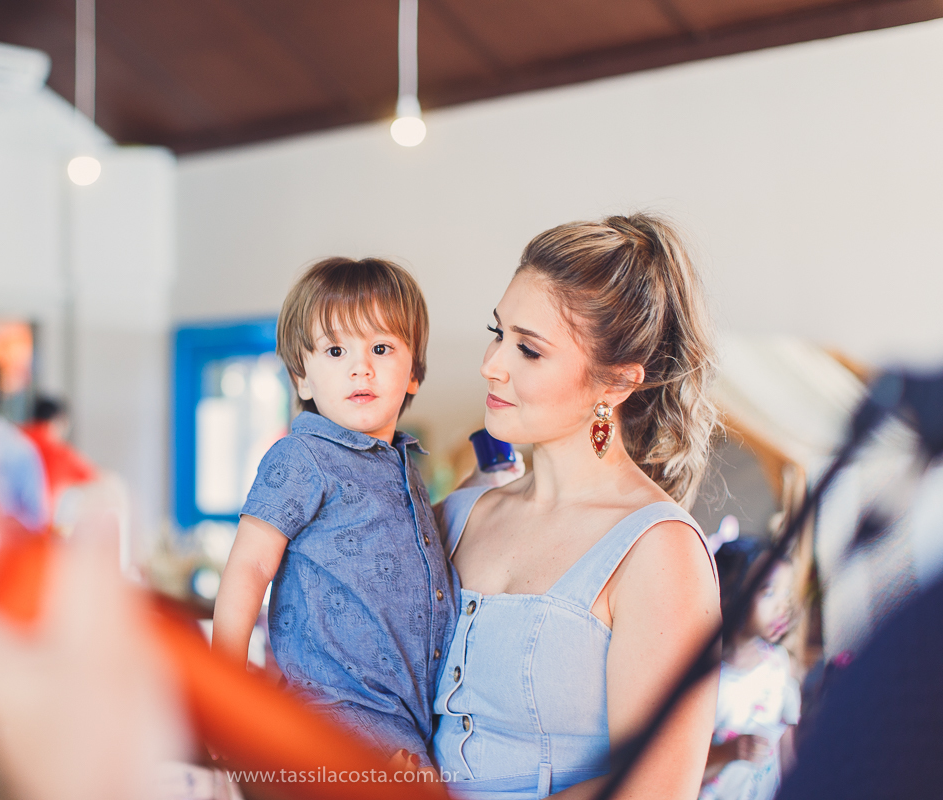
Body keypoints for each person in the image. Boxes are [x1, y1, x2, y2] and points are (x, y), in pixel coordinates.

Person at [434, 214, 722, 799]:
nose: (493, 364)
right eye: (498, 333)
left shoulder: (659, 551)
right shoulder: (459, 515)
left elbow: (655, 790)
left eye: (529, 350)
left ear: (614, 383)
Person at [212, 257, 455, 765]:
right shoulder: (302, 457)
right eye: (336, 349)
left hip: (408, 719)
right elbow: (250, 566)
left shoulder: (405, 467)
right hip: (331, 711)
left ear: (414, 374)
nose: (359, 366)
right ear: (302, 379)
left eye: (382, 348)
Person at [701, 539, 799, 800]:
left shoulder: (778, 664)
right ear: (730, 594)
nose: (782, 606)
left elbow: (785, 739)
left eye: (786, 594)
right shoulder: (705, 678)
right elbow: (678, 762)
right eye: (769, 593)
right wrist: (730, 751)